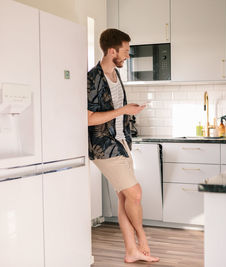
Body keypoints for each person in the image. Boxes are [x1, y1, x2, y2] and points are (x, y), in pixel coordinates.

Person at [87, 28, 159, 263]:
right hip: (103, 146)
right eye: (125, 51)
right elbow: (88, 118)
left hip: (121, 141)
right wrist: (123, 110)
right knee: (135, 194)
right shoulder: (92, 79)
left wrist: (129, 111)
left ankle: (131, 251)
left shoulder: (116, 77)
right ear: (112, 51)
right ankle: (142, 240)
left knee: (124, 198)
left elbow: (115, 112)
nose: (128, 56)